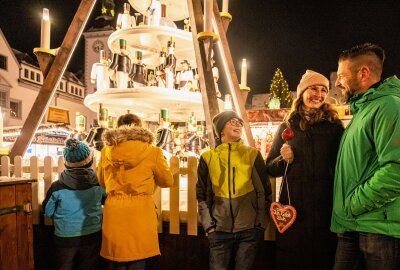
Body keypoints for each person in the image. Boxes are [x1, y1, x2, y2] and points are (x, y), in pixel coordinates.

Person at [266, 70, 344, 270]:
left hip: (324, 205)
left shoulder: (334, 126)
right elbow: (270, 167)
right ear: (302, 92)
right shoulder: (287, 125)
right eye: (313, 88)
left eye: (323, 90)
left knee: (322, 257)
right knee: (292, 259)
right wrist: (284, 159)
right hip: (294, 207)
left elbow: (342, 164)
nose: (318, 94)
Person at [331, 43, 400, 270]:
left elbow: (395, 170)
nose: (338, 82)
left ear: (363, 73)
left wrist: (355, 203)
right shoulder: (364, 110)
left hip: (377, 227)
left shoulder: (389, 106)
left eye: (341, 75)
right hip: (353, 224)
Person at [97, 113, 174, 270]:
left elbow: (101, 181)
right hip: (141, 212)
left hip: (114, 211)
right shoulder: (153, 151)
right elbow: (167, 181)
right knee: (137, 259)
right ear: (140, 127)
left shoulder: (106, 152)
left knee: (118, 259)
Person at [197, 111, 271, 270]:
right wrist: (209, 225)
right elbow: (201, 194)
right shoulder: (207, 157)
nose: (238, 125)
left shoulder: (252, 154)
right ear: (221, 129)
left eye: (240, 122)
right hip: (218, 228)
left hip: (249, 229)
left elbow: (265, 191)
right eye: (232, 122)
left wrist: (260, 223)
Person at [43, 138, 106, 270]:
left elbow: (48, 212)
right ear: (90, 160)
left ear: (66, 163)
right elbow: (106, 202)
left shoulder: (57, 187)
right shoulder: (98, 183)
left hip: (65, 237)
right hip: (92, 234)